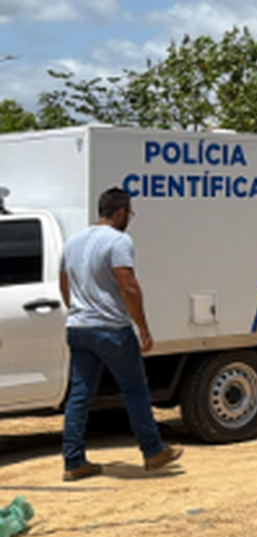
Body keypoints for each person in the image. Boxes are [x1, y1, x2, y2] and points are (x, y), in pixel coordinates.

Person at [58, 187, 183, 481]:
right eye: (129, 213)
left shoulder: (73, 241)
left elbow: (63, 285)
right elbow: (128, 286)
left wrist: (78, 312)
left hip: (78, 328)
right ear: (121, 212)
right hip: (111, 329)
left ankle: (73, 461)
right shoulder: (119, 241)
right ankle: (153, 452)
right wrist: (142, 326)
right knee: (135, 390)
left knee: (79, 395)